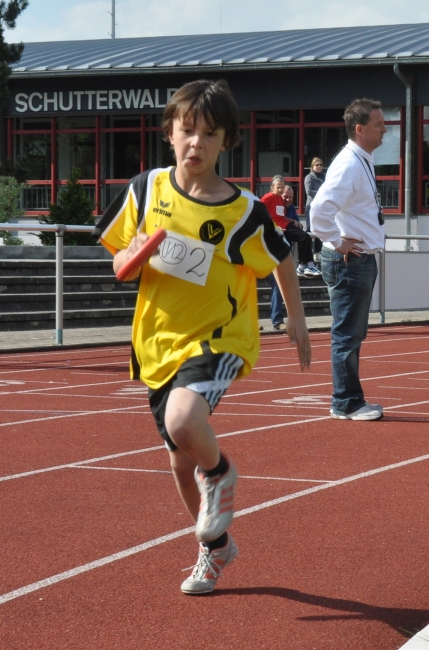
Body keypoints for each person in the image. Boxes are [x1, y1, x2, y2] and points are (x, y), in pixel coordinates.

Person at [94, 79, 311, 595]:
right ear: (169, 132)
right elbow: (116, 255)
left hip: (221, 336)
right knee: (177, 456)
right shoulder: (145, 189)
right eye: (187, 130)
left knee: (185, 419)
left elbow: (281, 256)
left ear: (225, 141)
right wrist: (135, 255)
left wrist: (298, 320)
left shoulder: (241, 212)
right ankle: (215, 549)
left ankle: (222, 473)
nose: (196, 143)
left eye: (208, 134)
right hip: (157, 343)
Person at [310, 98, 386, 421]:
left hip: (358, 260)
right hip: (348, 262)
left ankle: (350, 398)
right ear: (360, 129)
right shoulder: (349, 164)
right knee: (346, 334)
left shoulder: (361, 159)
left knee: (353, 333)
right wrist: (339, 242)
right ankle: (346, 402)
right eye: (379, 125)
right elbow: (318, 212)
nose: (385, 130)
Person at [260, 176, 321, 279]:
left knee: (305, 236)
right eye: (278, 187)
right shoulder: (269, 197)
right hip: (279, 227)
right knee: (303, 237)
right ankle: (303, 267)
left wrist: (293, 221)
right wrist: (271, 226)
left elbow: (280, 216)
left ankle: (306, 266)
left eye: (282, 187)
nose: (280, 190)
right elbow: (258, 208)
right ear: (272, 187)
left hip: (285, 224)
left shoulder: (280, 199)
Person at [304, 157, 325, 259]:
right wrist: (322, 193)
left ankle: (317, 252)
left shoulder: (324, 177)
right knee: (309, 230)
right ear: (312, 167)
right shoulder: (309, 177)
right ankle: (307, 255)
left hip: (322, 207)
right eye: (317, 165)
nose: (319, 167)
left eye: (321, 165)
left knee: (320, 229)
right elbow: (309, 192)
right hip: (311, 206)